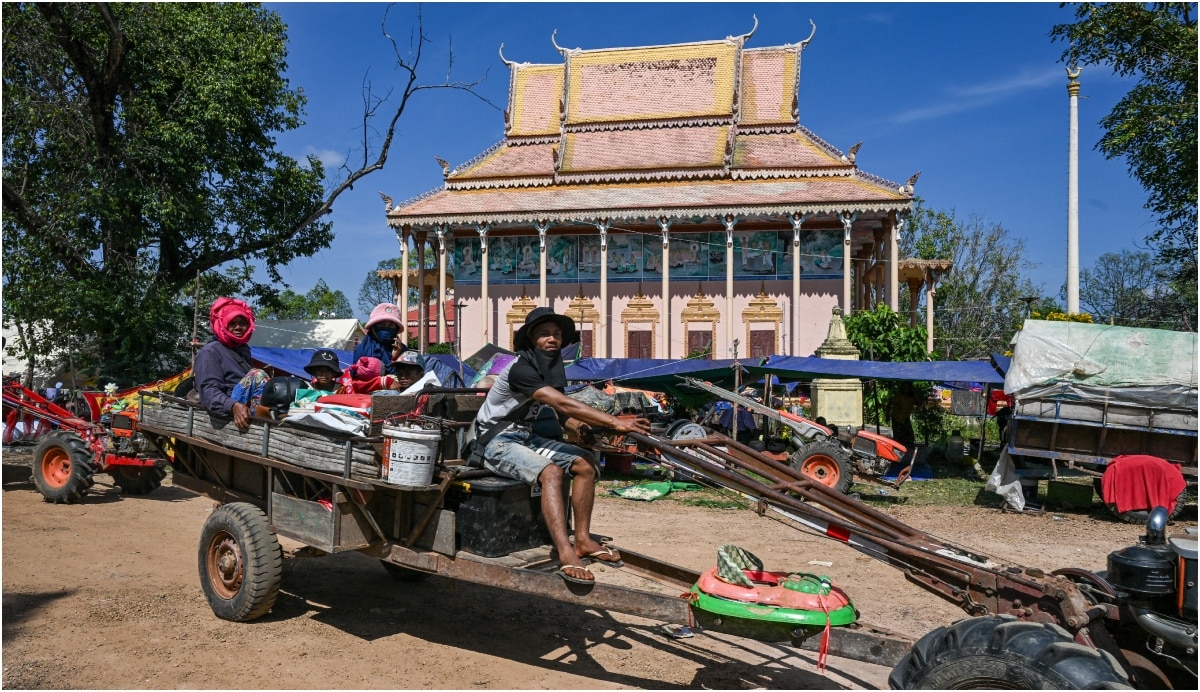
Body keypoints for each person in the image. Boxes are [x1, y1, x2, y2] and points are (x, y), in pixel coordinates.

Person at [468, 307, 651, 585]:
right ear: (531, 340)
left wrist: (580, 429)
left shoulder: (548, 369)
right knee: (551, 472)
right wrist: (615, 422)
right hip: (494, 441)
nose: (552, 339)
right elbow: (562, 403)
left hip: (523, 437)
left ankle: (582, 540)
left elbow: (562, 414)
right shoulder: (521, 368)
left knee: (585, 463)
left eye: (556, 334)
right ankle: (565, 552)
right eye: (544, 335)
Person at [195, 297, 269, 430]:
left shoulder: (243, 349)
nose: (238, 327)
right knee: (258, 374)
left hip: (245, 403)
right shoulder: (210, 352)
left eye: (242, 323)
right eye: (232, 323)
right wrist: (232, 406)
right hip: (228, 407)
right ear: (222, 324)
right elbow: (209, 391)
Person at [354, 303, 407, 375]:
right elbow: (356, 376)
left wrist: (395, 358)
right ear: (373, 326)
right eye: (381, 324)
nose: (386, 328)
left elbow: (406, 378)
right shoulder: (362, 350)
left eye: (391, 325)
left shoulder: (403, 351)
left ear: (396, 329)